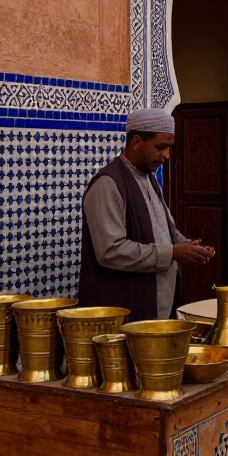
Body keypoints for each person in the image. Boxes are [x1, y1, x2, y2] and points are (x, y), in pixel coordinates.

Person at [78, 108, 214, 320]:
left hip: (157, 309)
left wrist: (188, 246)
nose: (166, 155)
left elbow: (162, 231)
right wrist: (173, 253)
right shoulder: (108, 185)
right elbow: (110, 251)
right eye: (160, 147)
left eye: (169, 148)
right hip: (122, 315)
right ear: (136, 141)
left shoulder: (148, 178)